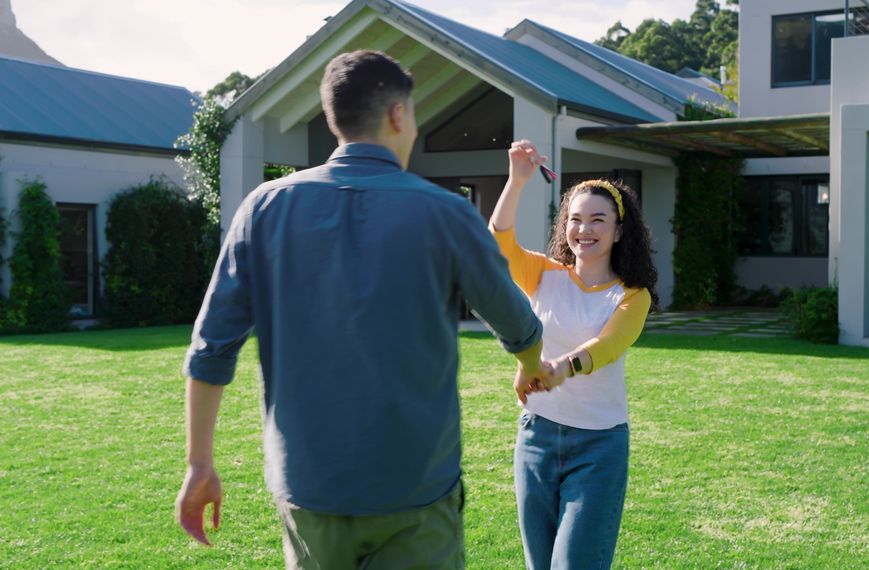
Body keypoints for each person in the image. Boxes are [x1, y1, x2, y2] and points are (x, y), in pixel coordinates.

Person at [175, 50, 551, 569]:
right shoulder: (446, 213)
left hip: (311, 487)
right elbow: (518, 323)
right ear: (398, 114)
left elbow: (210, 351)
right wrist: (530, 366)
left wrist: (199, 465)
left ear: (334, 118)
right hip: (417, 487)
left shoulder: (262, 209)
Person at [490, 140, 658, 569]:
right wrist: (517, 179)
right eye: (576, 219)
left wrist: (558, 368)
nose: (585, 229)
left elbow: (606, 346)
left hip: (598, 446)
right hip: (536, 437)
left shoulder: (632, 295)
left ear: (619, 230)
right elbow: (499, 242)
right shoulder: (545, 274)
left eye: (598, 220)